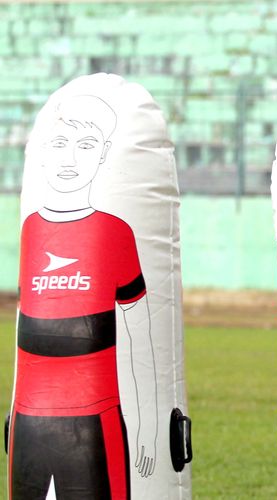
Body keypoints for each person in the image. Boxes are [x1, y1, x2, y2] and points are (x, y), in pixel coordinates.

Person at [11, 95, 158, 498]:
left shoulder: (114, 231)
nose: (70, 159)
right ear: (43, 153)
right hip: (28, 422)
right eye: (60, 144)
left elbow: (141, 337)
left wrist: (149, 425)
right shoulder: (31, 229)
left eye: (86, 145)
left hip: (94, 420)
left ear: (104, 154)